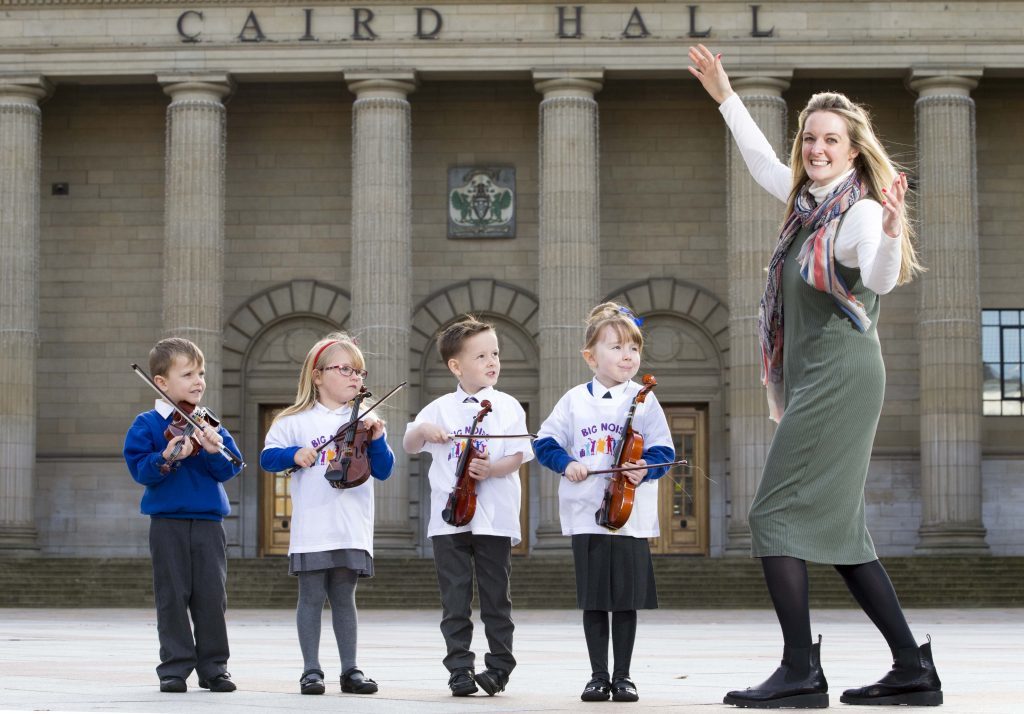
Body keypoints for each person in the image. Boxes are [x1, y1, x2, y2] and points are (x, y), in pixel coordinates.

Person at [687, 44, 942, 708]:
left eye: (832, 139)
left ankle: (800, 670)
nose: (817, 148)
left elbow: (880, 278)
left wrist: (890, 229)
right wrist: (725, 95)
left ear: (854, 150)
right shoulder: (806, 203)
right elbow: (760, 161)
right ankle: (913, 668)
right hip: (817, 375)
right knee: (843, 533)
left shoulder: (857, 214)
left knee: (773, 514)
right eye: (810, 138)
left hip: (841, 373)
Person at [534, 302, 675, 704]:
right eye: (615, 347)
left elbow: (664, 450)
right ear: (590, 356)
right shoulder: (575, 400)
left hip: (629, 515)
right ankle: (598, 676)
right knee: (595, 600)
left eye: (633, 347)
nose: (627, 355)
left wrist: (644, 468)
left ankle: (624, 676)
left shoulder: (645, 399)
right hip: (587, 514)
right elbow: (545, 443)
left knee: (626, 601)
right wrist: (569, 463)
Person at [403, 316, 533, 697]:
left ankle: (499, 666)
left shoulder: (507, 406)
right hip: (450, 519)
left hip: (495, 517)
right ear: (456, 366)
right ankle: (459, 667)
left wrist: (492, 468)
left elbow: (518, 456)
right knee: (455, 599)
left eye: (495, 353)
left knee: (496, 597)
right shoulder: (438, 408)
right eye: (481, 356)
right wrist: (422, 431)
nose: (492, 361)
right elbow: (411, 444)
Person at [260, 333, 395, 696]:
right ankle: (311, 670)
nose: (356, 378)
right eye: (346, 369)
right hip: (313, 525)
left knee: (344, 597)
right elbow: (267, 457)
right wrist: (294, 454)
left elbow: (383, 470)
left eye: (360, 371)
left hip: (351, 526)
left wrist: (379, 441)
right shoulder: (294, 420)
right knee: (311, 596)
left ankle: (351, 669)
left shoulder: (368, 423)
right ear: (317, 376)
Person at [123, 337, 244, 694]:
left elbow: (230, 468)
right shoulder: (146, 425)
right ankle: (174, 668)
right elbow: (140, 470)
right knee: (171, 595)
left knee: (211, 596)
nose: (198, 381)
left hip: (208, 523)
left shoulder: (209, 424)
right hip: (167, 523)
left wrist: (210, 449)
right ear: (161, 382)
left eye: (201, 373)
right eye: (188, 373)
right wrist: (167, 457)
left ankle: (214, 668)